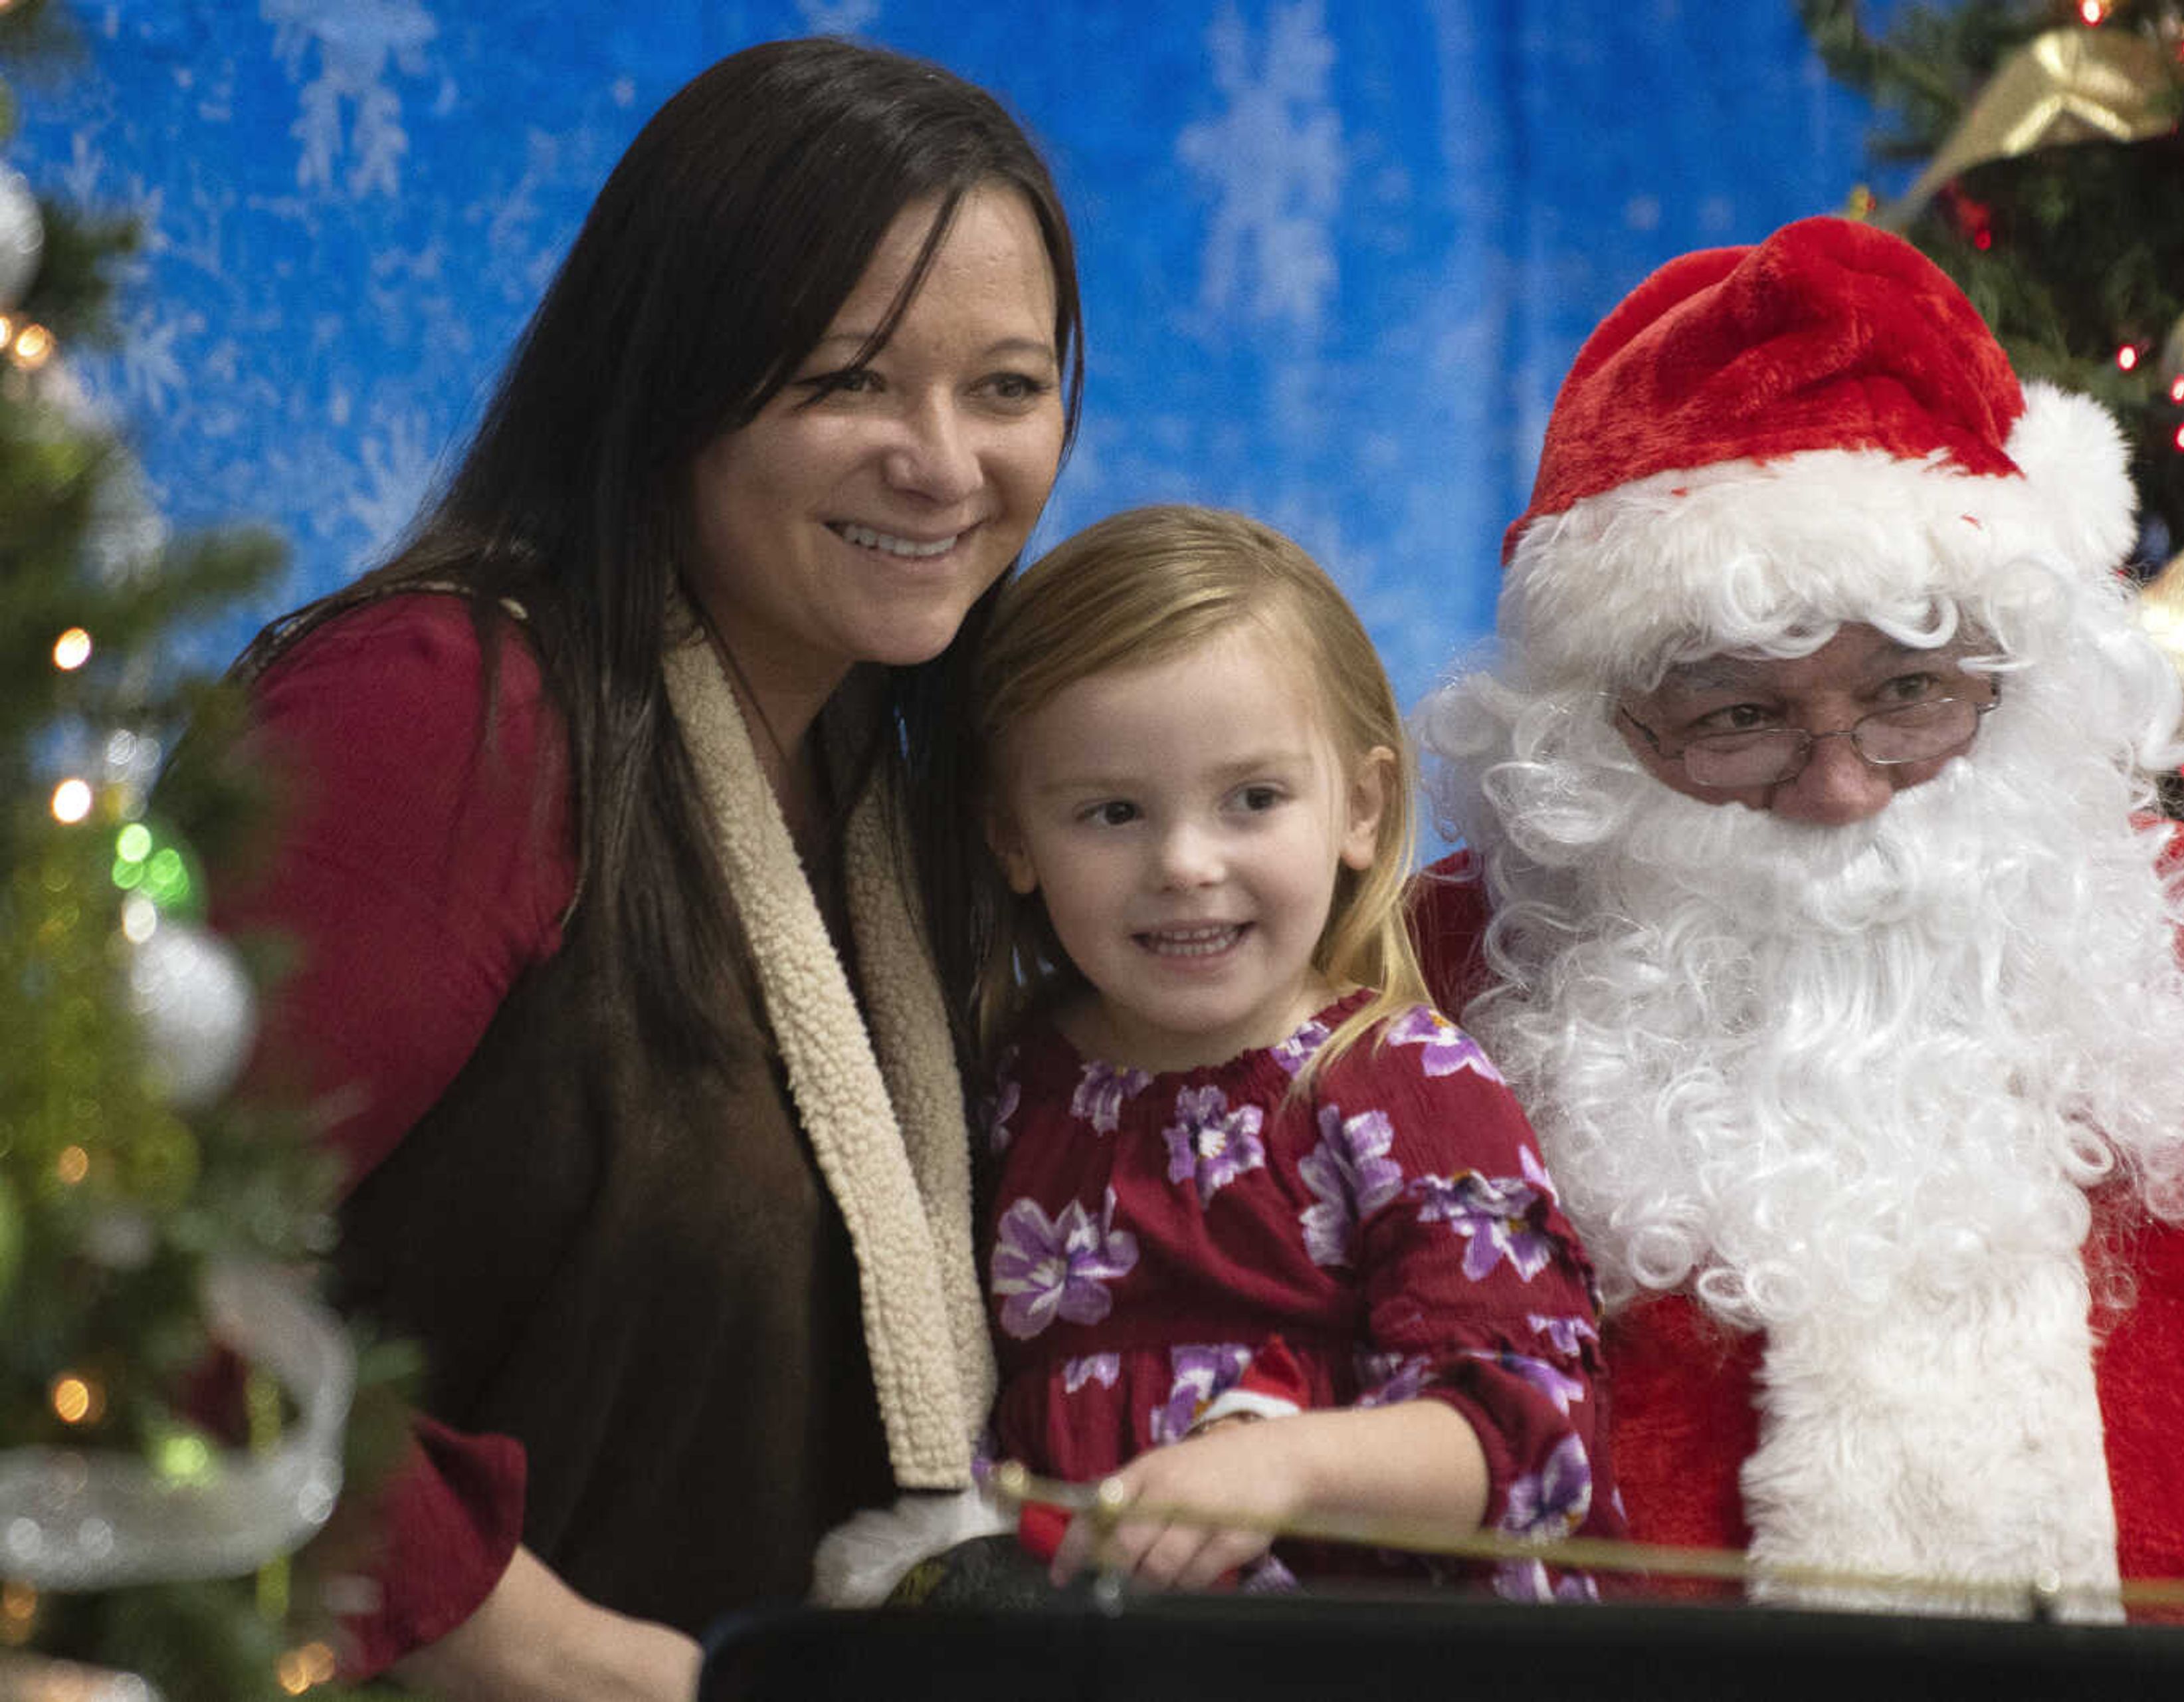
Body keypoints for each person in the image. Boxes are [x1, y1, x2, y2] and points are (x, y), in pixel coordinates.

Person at [1417, 216, 2184, 1634]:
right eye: (1737, 718)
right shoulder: (1398, 1025)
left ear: (2036, 682)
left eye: (1910, 697)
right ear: (1592, 747)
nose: (1837, 793)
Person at [209, 38, 1082, 1696]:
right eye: (847, 380)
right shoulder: (448, 711)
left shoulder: (913, 792)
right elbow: (113, 1234)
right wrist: (523, 1640)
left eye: (1008, 387)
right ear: (671, 381)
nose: (946, 464)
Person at [962, 504, 1619, 1598]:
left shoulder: (1404, 1083)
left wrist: (1280, 1467)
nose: (1183, 862)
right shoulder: (1011, 1088)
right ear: (1014, 838)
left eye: (1252, 799)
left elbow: (1534, 1430)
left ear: (1359, 808)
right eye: (1113, 811)